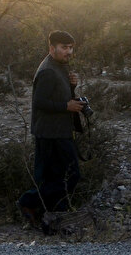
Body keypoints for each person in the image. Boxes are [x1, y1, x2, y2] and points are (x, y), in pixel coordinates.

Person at [18, 30, 86, 232]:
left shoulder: (59, 67)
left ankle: (55, 218)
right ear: (52, 48)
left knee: (59, 176)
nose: (69, 52)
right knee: (68, 175)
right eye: (64, 48)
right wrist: (66, 107)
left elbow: (58, 95)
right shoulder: (48, 70)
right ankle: (28, 202)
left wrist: (72, 87)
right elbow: (40, 102)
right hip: (49, 133)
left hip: (59, 131)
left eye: (70, 48)